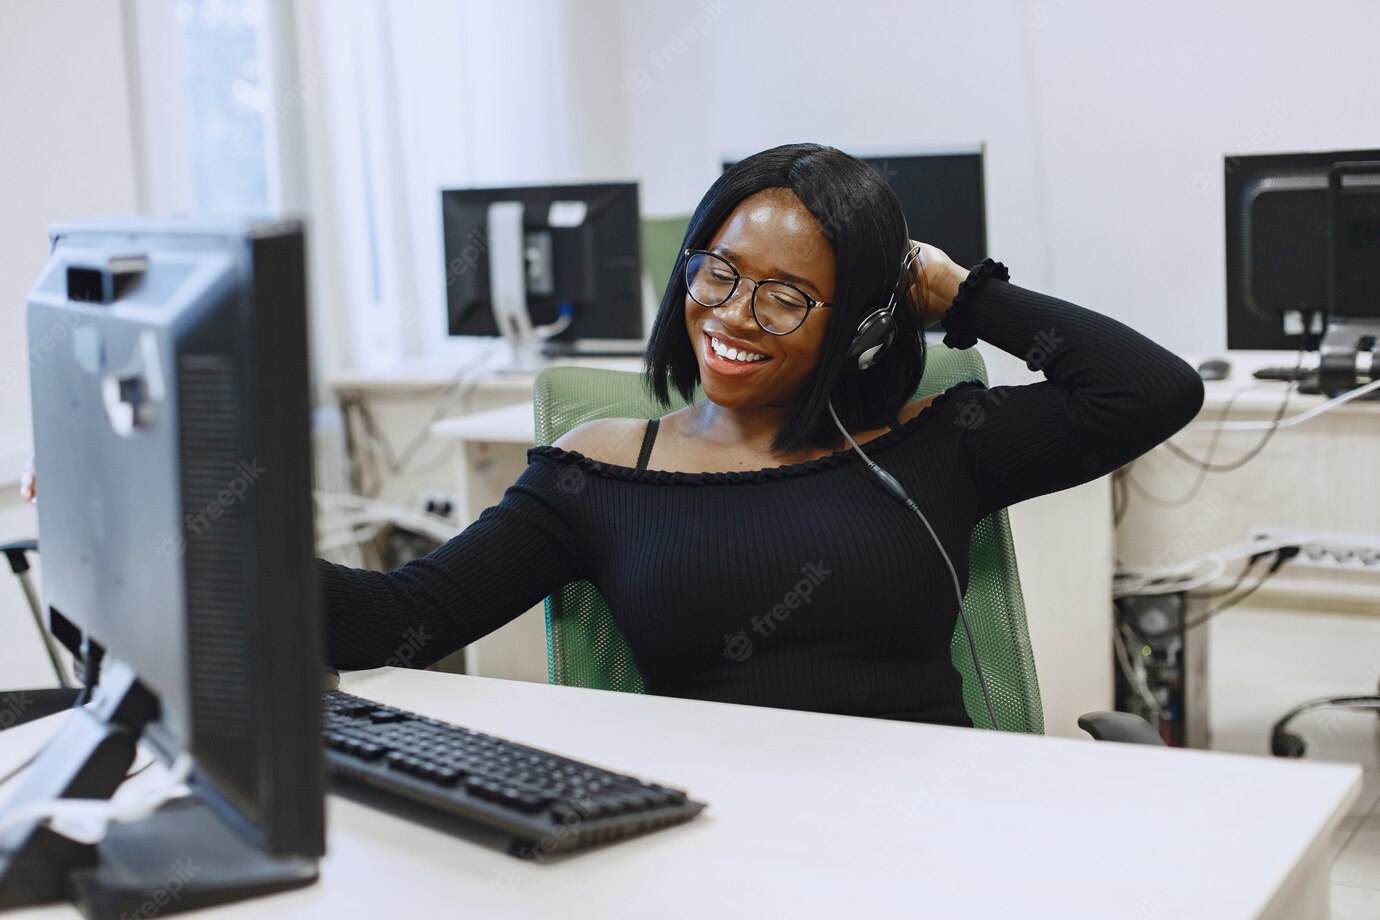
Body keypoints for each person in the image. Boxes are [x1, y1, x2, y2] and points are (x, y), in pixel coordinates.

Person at [25, 143, 1205, 728]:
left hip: (941, 830)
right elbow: (400, 619)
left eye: (790, 295)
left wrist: (959, 293)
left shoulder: (933, 445)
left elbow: (1148, 390)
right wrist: (172, 523)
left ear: (857, 322)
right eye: (718, 270)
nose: (734, 317)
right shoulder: (598, 474)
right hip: (718, 852)